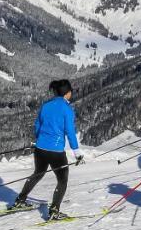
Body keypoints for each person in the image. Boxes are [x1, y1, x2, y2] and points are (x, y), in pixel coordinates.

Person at [10, 79, 86, 220]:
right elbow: (70, 131)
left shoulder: (46, 105)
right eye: (71, 92)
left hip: (40, 148)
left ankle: (20, 200)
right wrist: (77, 153)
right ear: (67, 93)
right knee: (62, 180)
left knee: (38, 173)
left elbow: (37, 125)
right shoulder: (67, 109)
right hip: (55, 151)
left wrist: (40, 139)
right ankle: (54, 211)